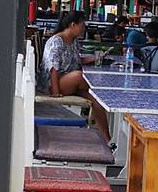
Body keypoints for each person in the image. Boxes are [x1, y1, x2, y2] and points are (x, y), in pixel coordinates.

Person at [40, 11, 111, 142]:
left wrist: (96, 57)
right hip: (54, 84)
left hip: (70, 82)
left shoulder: (74, 41)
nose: (84, 28)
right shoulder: (57, 41)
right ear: (73, 25)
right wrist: (55, 92)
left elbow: (78, 60)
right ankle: (106, 91)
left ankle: (108, 140)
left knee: (97, 100)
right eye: (82, 25)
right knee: (80, 76)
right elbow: (53, 68)